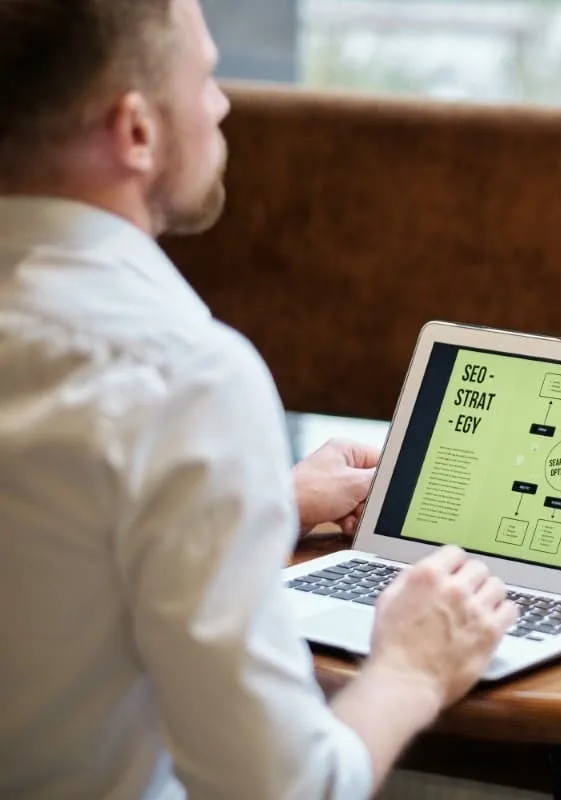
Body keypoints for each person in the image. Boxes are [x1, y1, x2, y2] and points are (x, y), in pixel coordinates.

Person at [0, 1, 516, 798]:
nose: (222, 104)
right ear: (136, 131)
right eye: (206, 78)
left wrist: (267, 502)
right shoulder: (185, 378)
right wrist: (413, 668)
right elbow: (284, 788)